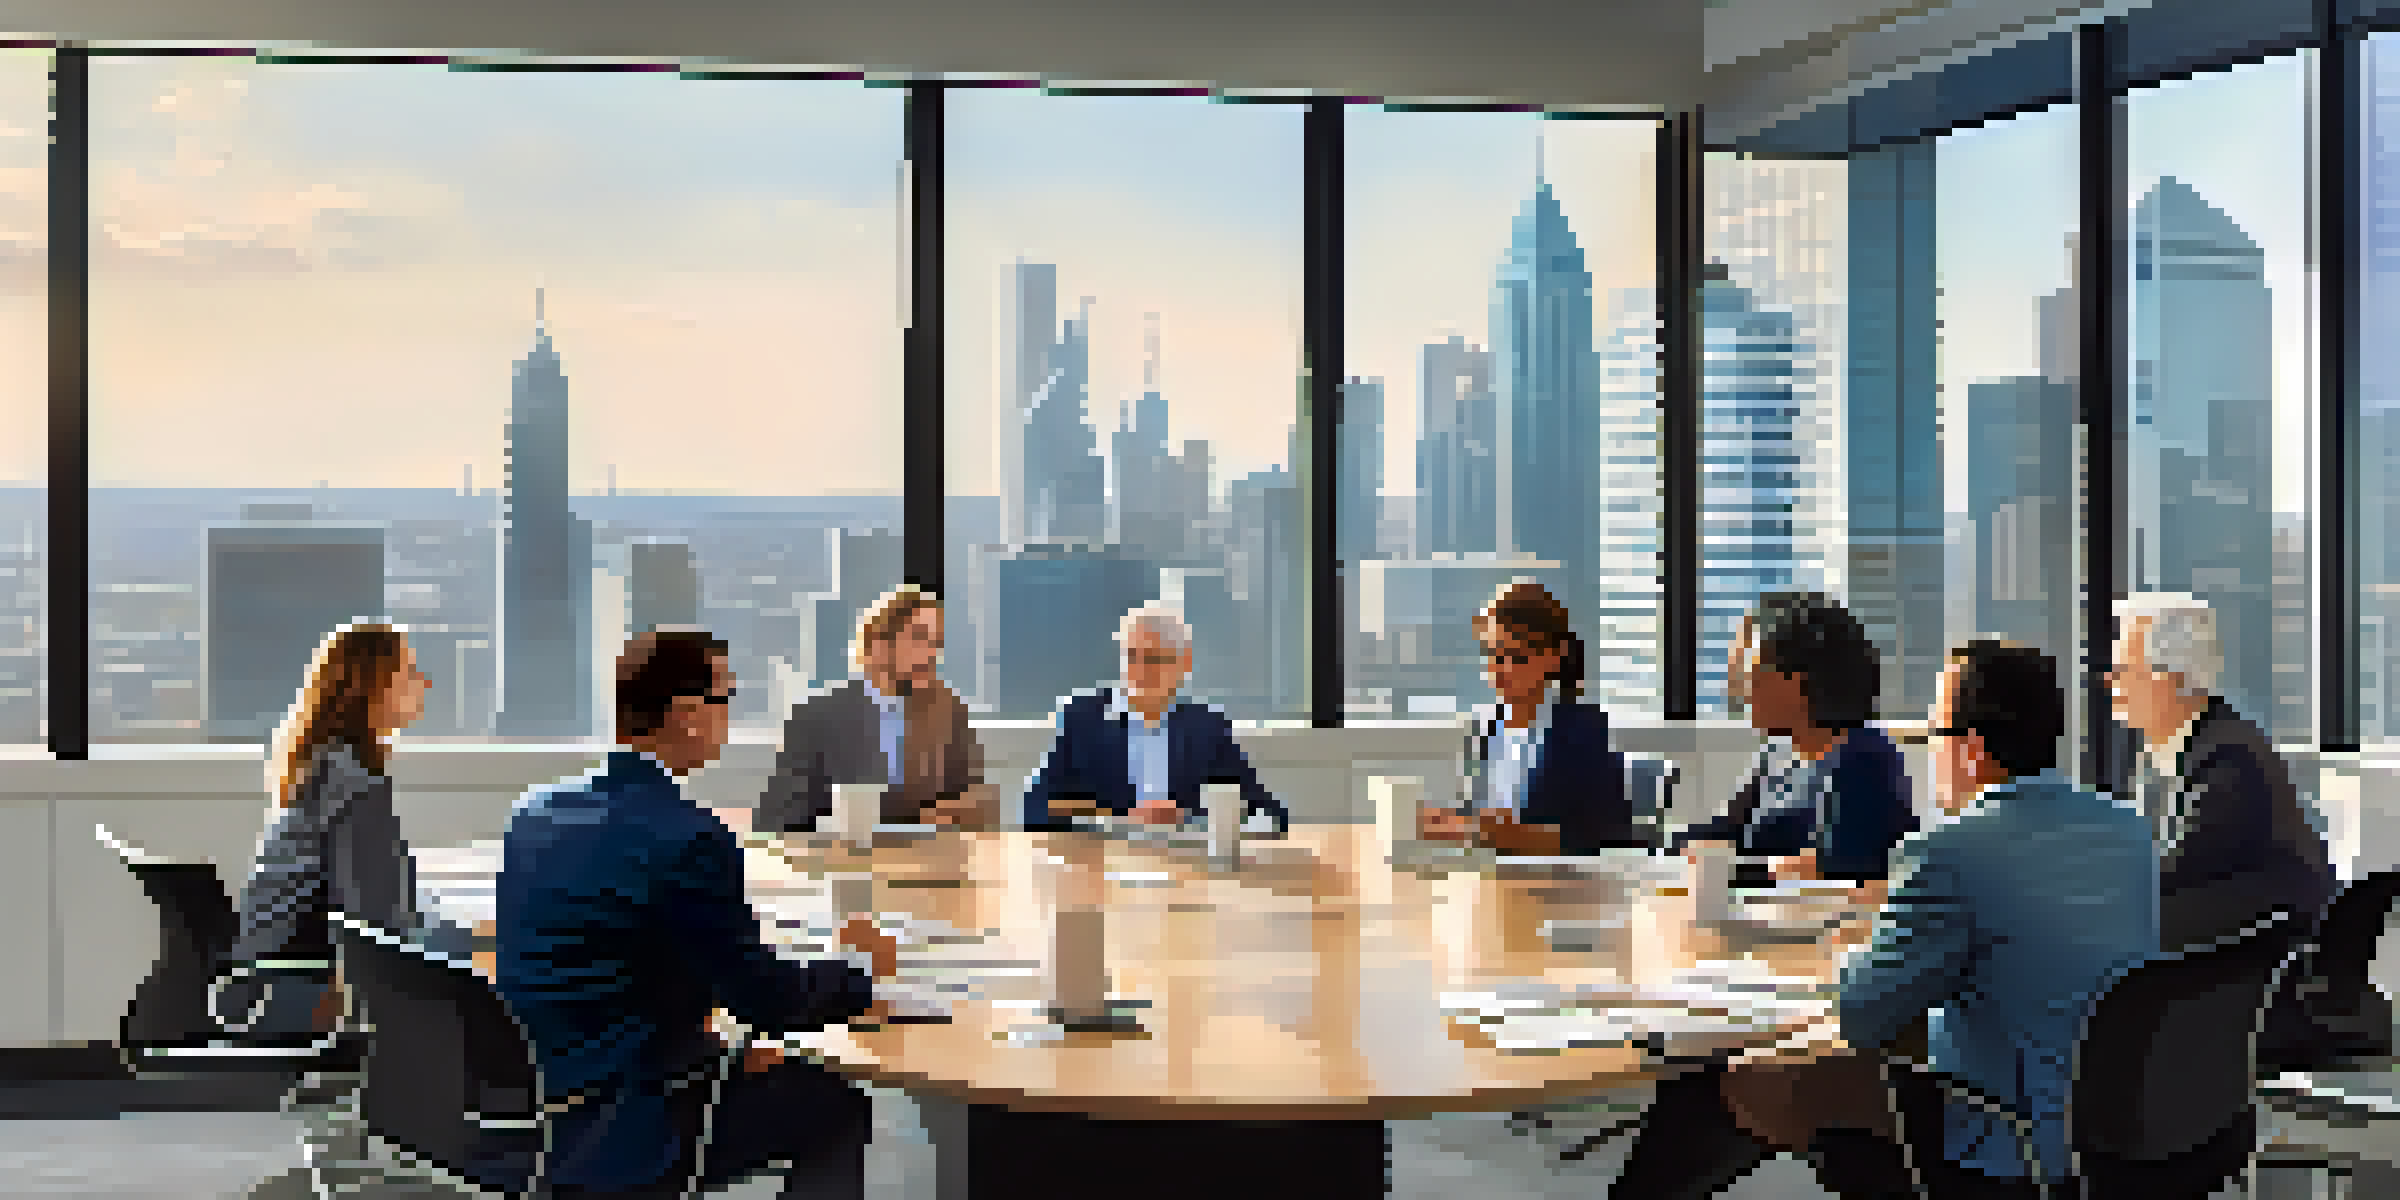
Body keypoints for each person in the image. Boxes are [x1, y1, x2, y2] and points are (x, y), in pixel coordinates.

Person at [1609, 640, 2158, 1200]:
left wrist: (1854, 949)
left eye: (1932, 732)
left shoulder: (1949, 851)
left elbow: (1860, 1016)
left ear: (1970, 750)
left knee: (1734, 1082)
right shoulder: (2130, 831)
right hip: (2110, 1136)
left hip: (2004, 1145)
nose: (1925, 747)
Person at [496, 630, 901, 1199]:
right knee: (831, 1104)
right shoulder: (689, 836)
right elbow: (770, 1001)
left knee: (773, 1071)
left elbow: (606, 958)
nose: (729, 715)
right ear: (688, 714)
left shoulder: (535, 812)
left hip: (533, 1099)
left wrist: (715, 1046)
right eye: (727, 695)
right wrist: (856, 970)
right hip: (626, 1113)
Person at [2108, 593, 2339, 1070]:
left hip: (2263, 981)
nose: (2110, 683)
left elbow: (2168, 874)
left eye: (2123, 670)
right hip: (2236, 960)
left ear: (2168, 679)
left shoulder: (2228, 760)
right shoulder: (2175, 753)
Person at [213, 622, 470, 1041]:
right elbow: (375, 922)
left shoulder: (324, 764)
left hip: (264, 981)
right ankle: (462, 1088)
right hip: (296, 991)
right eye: (408, 671)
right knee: (470, 953)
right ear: (373, 687)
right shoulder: (354, 783)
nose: (423, 682)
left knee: (448, 937)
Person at [1671, 592, 1917, 885]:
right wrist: (1668, 847)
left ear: (1798, 681)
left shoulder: (1864, 760)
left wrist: (1731, 869)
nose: (1743, 692)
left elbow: (1835, 866)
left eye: (1754, 677)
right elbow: (1729, 830)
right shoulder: (1778, 752)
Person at [1021, 604, 1289, 833]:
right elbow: (1034, 809)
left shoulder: (1206, 728)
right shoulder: (1084, 719)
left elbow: (1270, 815)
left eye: (1153, 659)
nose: (1139, 670)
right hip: (1102, 870)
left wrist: (1187, 819)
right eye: (1131, 656)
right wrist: (1119, 821)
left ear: (1184, 665)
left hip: (1187, 873)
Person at [755, 584, 993, 835]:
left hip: (930, 863)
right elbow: (778, 818)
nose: (932, 653)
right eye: (920, 638)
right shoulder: (816, 716)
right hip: (844, 864)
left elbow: (976, 799)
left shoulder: (948, 711)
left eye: (937, 642)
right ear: (878, 643)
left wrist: (962, 810)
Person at [1418, 580, 1631, 856]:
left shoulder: (1583, 731)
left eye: (1516, 657)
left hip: (1557, 889)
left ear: (1554, 659)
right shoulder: (1483, 730)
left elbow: (1607, 838)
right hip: (1485, 884)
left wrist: (1519, 837)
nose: (1500, 670)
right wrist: (1450, 826)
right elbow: (1475, 821)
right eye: (1492, 654)